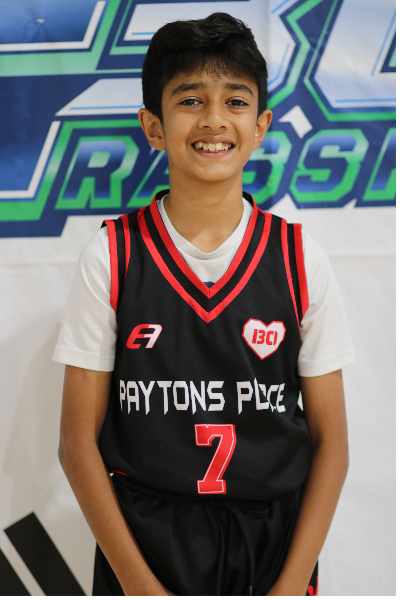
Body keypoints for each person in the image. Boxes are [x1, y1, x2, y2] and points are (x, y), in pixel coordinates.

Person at [54, 13, 356, 597]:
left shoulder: (298, 259)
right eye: (190, 99)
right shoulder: (113, 256)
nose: (214, 119)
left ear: (261, 125)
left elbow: (333, 444)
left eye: (235, 101)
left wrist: (292, 584)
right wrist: (139, 586)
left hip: (273, 545)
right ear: (153, 125)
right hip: (145, 543)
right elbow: (76, 443)